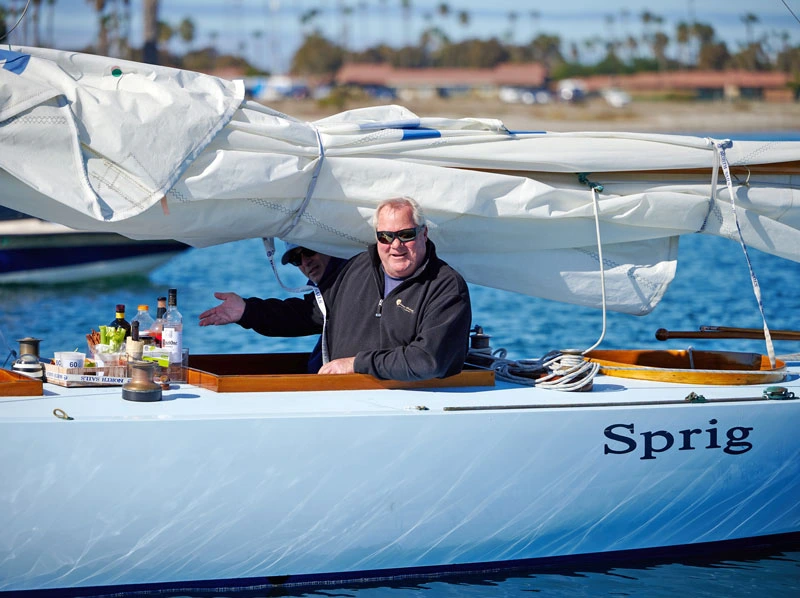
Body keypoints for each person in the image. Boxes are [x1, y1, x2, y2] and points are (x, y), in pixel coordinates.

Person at [200, 197, 472, 381]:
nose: (396, 245)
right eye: (386, 236)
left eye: (406, 235)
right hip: (345, 402)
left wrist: (356, 364)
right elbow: (309, 315)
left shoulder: (446, 287)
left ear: (423, 234)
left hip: (410, 407)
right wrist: (247, 311)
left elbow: (427, 361)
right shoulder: (358, 270)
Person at [198, 243, 347, 373]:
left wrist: (248, 311)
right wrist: (246, 310)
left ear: (329, 247)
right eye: (296, 260)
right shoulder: (329, 294)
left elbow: (303, 315)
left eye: (309, 251)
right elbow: (302, 315)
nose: (305, 262)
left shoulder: (350, 285)